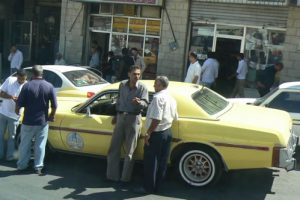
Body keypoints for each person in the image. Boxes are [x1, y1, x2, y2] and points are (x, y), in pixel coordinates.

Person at [136, 76, 178, 194]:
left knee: (151, 162)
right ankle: (158, 187)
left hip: (157, 133)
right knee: (162, 162)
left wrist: (148, 133)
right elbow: (175, 117)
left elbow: (156, 118)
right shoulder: (171, 98)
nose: (154, 86)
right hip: (167, 132)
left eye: (156, 84)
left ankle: (148, 188)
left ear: (161, 86)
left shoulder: (157, 98)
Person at [106, 65, 149, 183]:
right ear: (129, 74)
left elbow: (146, 104)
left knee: (130, 152)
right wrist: (116, 114)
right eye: (134, 74)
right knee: (114, 148)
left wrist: (139, 102)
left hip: (134, 118)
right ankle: (112, 176)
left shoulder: (142, 88)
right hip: (121, 117)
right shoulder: (122, 84)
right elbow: (119, 99)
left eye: (138, 74)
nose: (137, 76)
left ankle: (125, 179)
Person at [16, 65, 57, 175]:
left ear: (32, 74)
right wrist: (51, 115)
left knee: (24, 144)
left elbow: (19, 104)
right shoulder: (49, 86)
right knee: (40, 145)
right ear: (42, 73)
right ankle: (38, 166)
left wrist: (17, 111)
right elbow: (54, 105)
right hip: (42, 121)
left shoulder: (26, 86)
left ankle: (22, 165)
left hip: (28, 121)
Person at [0, 70, 27, 161]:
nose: (21, 81)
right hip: (3, 112)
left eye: (23, 79)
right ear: (17, 76)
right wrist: (11, 97)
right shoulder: (10, 80)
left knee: (12, 137)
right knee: (0, 135)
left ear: (26, 78)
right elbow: (1, 93)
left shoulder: (27, 85)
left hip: (15, 116)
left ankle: (9, 156)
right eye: (19, 79)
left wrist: (19, 101)